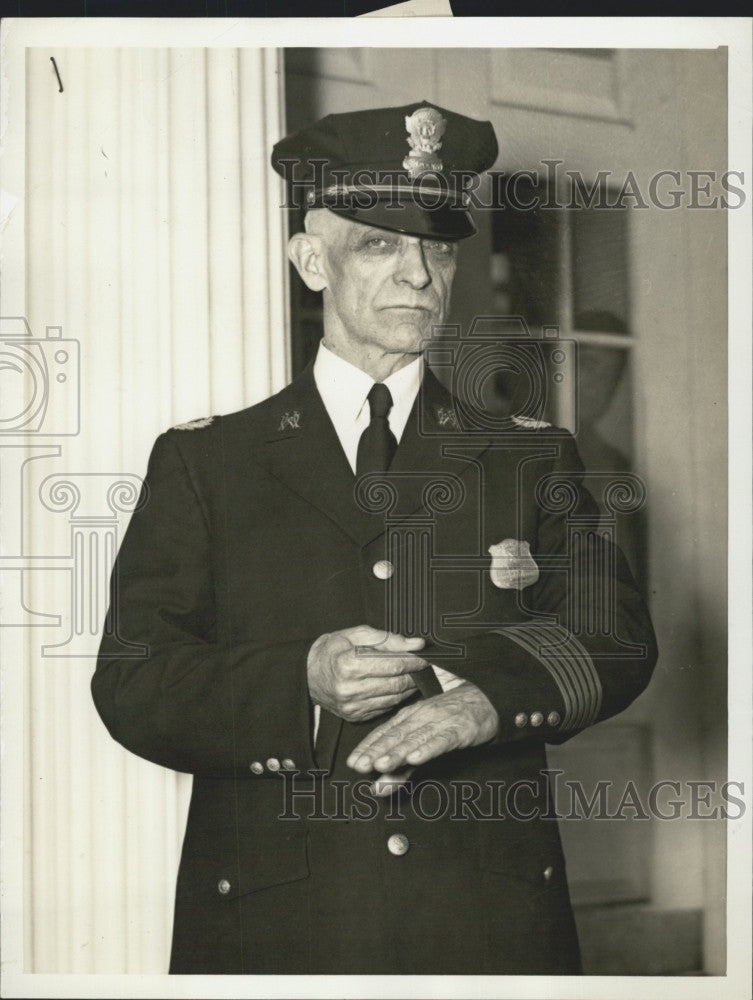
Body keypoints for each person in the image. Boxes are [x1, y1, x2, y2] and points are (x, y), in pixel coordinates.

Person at [92, 100, 657, 975]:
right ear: (311, 261)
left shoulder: (530, 455)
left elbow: (614, 637)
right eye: (379, 245)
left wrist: (481, 702)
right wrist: (300, 680)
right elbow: (133, 681)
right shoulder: (207, 461)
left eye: (437, 247)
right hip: (279, 922)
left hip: (485, 919)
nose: (419, 275)